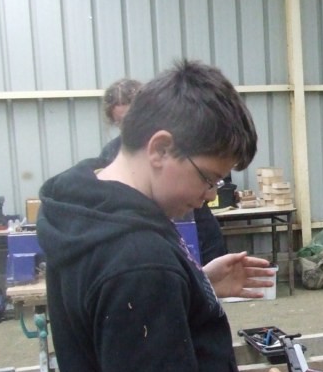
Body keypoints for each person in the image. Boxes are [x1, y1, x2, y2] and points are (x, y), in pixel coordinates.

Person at [36, 60, 316, 372]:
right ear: (161, 148)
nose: (208, 198)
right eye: (209, 179)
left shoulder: (88, 205)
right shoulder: (138, 260)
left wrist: (193, 282)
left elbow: (116, 328)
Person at [96, 76, 228, 264]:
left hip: (197, 229)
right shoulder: (111, 155)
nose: (129, 126)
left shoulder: (182, 143)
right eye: (121, 122)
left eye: (133, 117)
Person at [97, 77, 142, 164]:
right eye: (120, 122)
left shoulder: (167, 145)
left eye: (132, 119)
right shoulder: (110, 152)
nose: (128, 126)